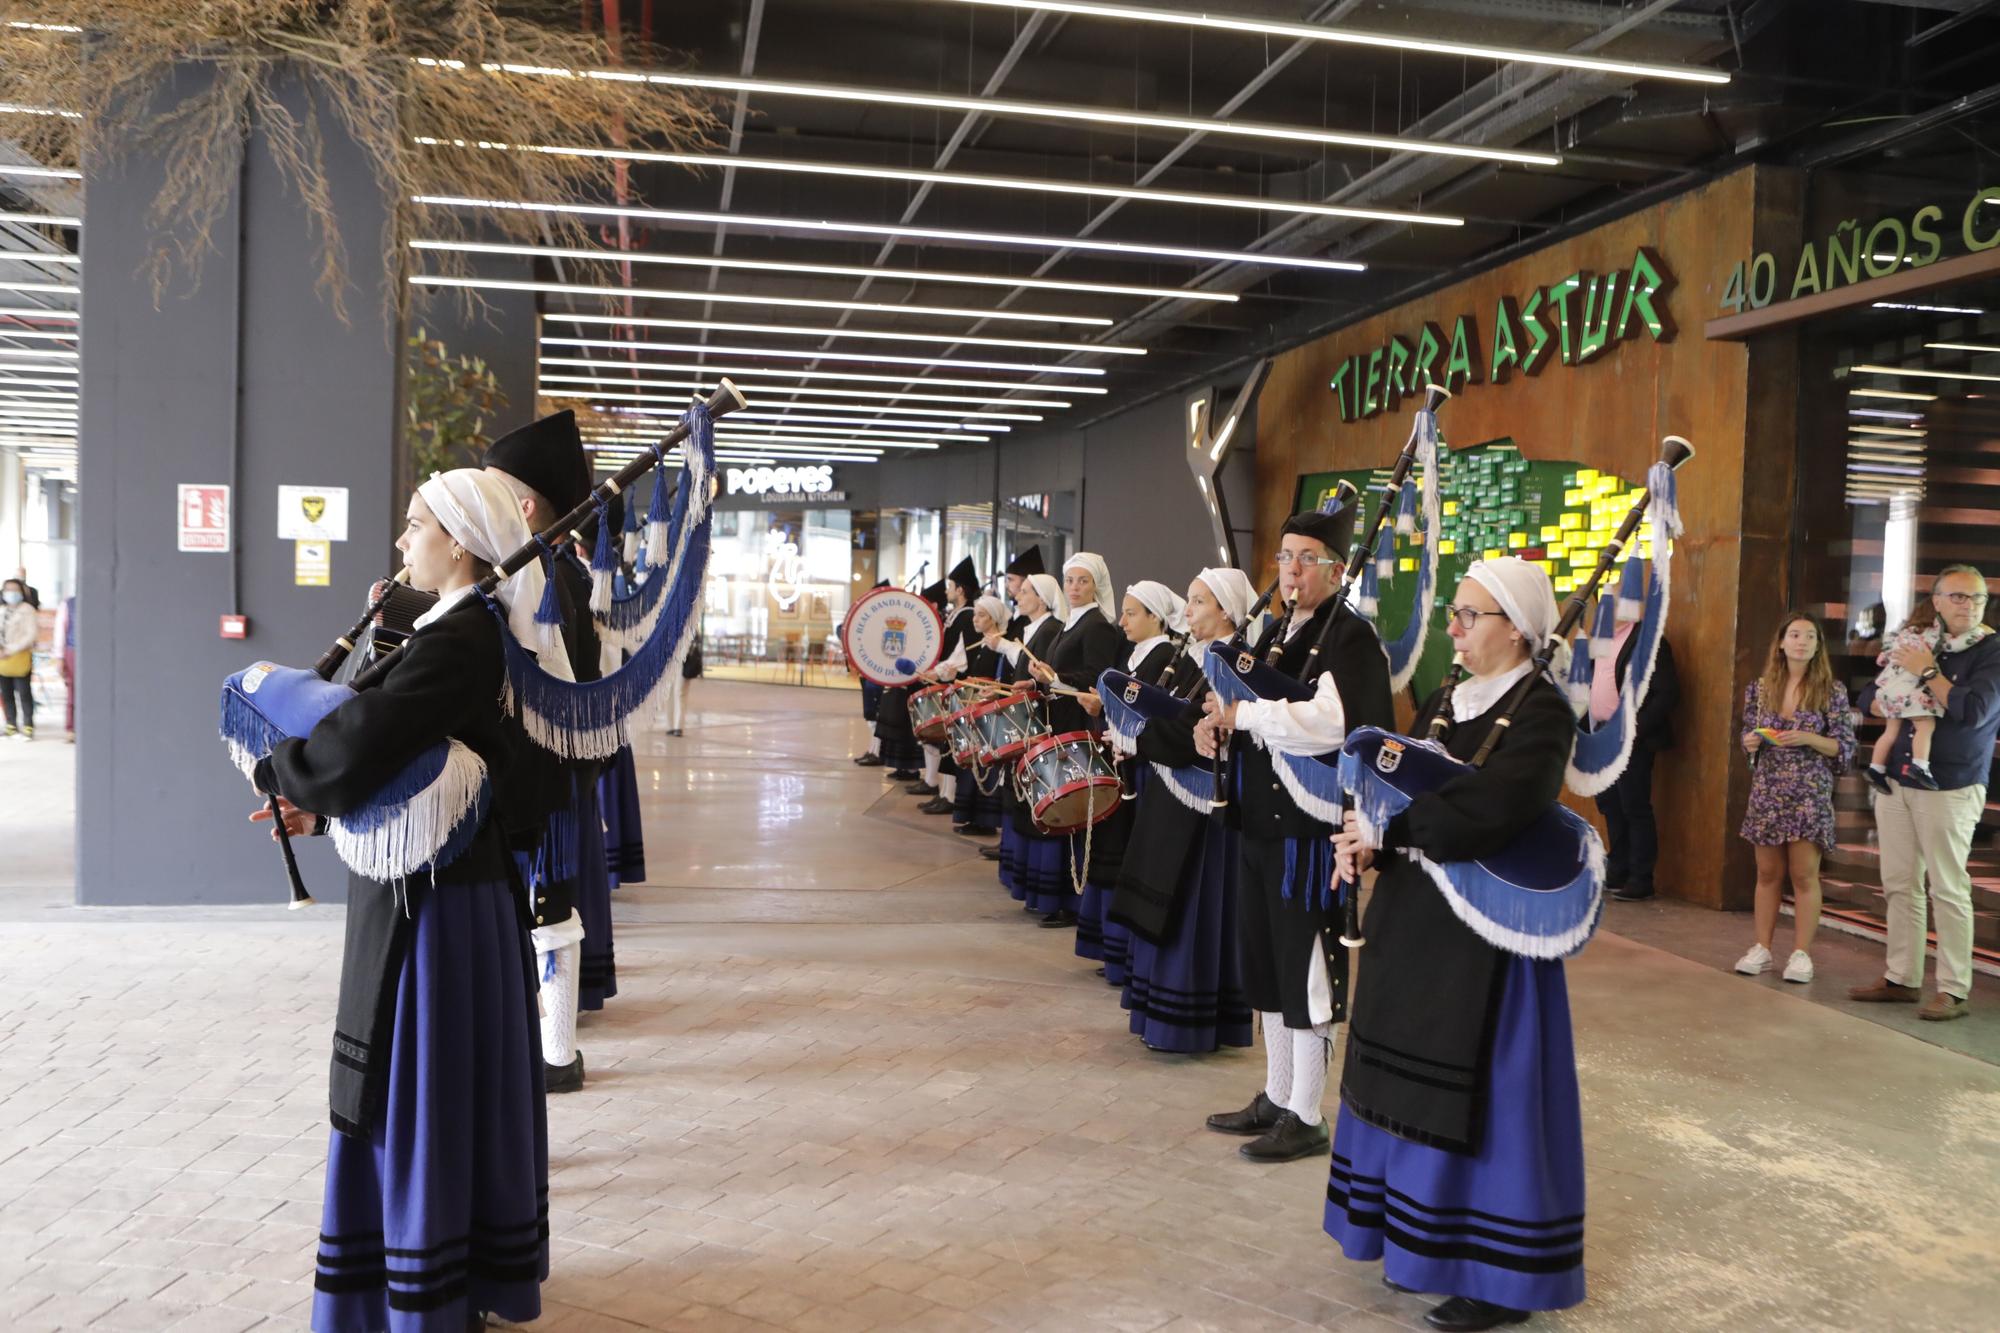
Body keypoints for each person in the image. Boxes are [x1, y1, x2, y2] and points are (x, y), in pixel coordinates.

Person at [252, 468, 553, 1331]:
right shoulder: (449, 630)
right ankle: (441, 1279)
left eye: (415, 524)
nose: (402, 539)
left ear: (458, 542)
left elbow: (360, 741)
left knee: (417, 1086)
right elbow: (389, 752)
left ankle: (426, 1294)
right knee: (432, 1087)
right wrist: (315, 799)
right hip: (439, 896)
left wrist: (280, 759)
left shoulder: (462, 639)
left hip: (437, 911)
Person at [1325, 557, 1593, 1332]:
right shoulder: (1448, 695)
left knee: (1489, 1095)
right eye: (1456, 613)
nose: (1453, 627)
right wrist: (1368, 840)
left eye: (1469, 615)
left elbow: (1497, 805)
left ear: (1516, 627)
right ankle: (1417, 1243)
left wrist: (1394, 829)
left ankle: (1499, 1278)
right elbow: (1405, 780)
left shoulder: (1542, 711)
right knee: (1404, 1077)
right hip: (1417, 918)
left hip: (1492, 940)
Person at [1194, 503, 1393, 1164]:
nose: (1292, 570)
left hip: (1309, 833)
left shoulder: (1350, 635)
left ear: (1335, 568)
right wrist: (1221, 721)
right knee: (1268, 965)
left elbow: (1334, 723)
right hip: (1257, 824)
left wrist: (1248, 713)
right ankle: (1277, 1095)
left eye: (1308, 558)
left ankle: (1307, 1112)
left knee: (1307, 972)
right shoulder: (1279, 629)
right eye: (1285, 557)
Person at [483, 408, 612, 1090]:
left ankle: (555, 1055)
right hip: (541, 775)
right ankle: (554, 1053)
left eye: (491, 485)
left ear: (526, 505)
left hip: (538, 776)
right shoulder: (538, 571)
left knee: (546, 911)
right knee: (545, 909)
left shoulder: (547, 576)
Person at [1114, 567, 1259, 1054]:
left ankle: (1188, 1022)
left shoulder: (1236, 665)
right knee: (1160, 898)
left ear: (1226, 612)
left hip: (1204, 811)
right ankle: (1156, 1008)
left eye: (1199, 602)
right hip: (1168, 794)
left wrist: (1147, 733)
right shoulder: (1191, 656)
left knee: (1192, 908)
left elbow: (1198, 732)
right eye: (1190, 601)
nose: (1188, 611)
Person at [1851, 565, 2000, 1021]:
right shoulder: (1919, 639)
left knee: (1948, 887)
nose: (1968, 606)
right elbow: (1865, 698)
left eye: (1976, 599)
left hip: (1951, 782)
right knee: (1899, 883)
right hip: (1898, 777)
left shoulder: (1991, 649)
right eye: (1957, 597)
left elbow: (1972, 711)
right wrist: (1886, 700)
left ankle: (1953, 989)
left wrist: (1928, 672)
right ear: (1936, 600)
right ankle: (1901, 978)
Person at [1734, 612, 1855, 984]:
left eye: (1810, 636)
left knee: (1804, 875)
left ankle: (1801, 954)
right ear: (1782, 643)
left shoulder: (1832, 691)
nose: (1801, 641)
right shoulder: (1759, 688)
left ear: (1818, 646)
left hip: (1808, 791)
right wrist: (1750, 741)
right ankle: (1762, 948)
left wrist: (1808, 739)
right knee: (1767, 873)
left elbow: (1845, 749)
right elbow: (1748, 737)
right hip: (1769, 789)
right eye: (1794, 634)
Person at [1076, 580, 1184, 975]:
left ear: (1156, 617)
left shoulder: (1165, 657)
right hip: (1122, 766)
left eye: (1132, 612)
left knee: (1128, 856)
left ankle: (1123, 955)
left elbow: (1154, 716)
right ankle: (1108, 948)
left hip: (1145, 772)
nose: (1122, 620)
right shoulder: (1134, 654)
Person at [1022, 553, 1128, 927]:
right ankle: (1060, 894)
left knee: (1075, 808)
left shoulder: (1097, 624)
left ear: (1096, 584)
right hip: (1062, 717)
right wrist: (1038, 680)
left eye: (1082, 581)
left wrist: (1053, 678)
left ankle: (1070, 898)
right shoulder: (1074, 622)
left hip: (1081, 722)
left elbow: (1096, 676)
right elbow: (1064, 673)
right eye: (1070, 580)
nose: (1075, 587)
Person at [1589, 590, 1679, 901]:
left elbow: (1666, 693)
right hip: (1600, 736)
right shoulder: (1599, 642)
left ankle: (1642, 877)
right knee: (1610, 805)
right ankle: (1619, 868)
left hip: (1632, 740)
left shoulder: (1649, 642)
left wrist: (1632, 730)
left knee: (1633, 806)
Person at [992, 573, 1064, 879]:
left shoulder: (1049, 630)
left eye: (1025, 592)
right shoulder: (1034, 628)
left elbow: (1047, 678)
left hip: (1038, 725)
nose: (1018, 596)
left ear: (1042, 598)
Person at [933, 594, 1010, 838]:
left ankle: (985, 821)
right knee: (972, 769)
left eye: (981, 615)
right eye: (975, 614)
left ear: (994, 618)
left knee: (986, 769)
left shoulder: (1003, 646)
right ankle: (972, 818)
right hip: (973, 715)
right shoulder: (979, 645)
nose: (975, 619)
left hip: (990, 718)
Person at [917, 559, 982, 815]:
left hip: (958, 684)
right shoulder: (958, 615)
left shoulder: (968, 616)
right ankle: (943, 792)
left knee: (954, 743)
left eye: (950, 586)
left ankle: (950, 796)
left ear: (960, 590)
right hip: (947, 682)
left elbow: (962, 655)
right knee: (946, 742)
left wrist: (939, 671)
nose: (946, 591)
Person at [1865, 599, 1947, 791]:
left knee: (1890, 732)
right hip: (1908, 690)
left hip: (1888, 689)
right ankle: (1920, 766)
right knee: (1926, 726)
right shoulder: (1932, 634)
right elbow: (1950, 646)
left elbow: (1882, 658)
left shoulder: (1902, 634)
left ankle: (1875, 768)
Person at [0, 578, 36, 739]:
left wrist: (11, 649)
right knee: (6, 693)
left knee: (24, 692)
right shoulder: (2, 610)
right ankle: (11, 725)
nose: (11, 593)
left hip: (19, 656)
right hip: (2, 658)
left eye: (15, 590)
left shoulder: (27, 609)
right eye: (8, 589)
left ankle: (28, 725)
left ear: (21, 592)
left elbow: (31, 635)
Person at [55, 592, 74, 739]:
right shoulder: (68, 604)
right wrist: (59, 657)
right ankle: (71, 728)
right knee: (73, 691)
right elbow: (60, 631)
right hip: (72, 650)